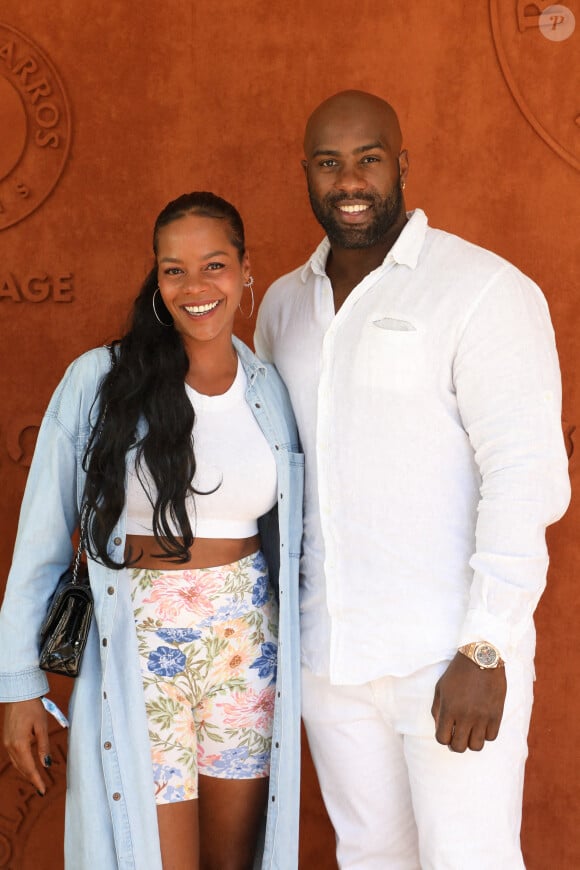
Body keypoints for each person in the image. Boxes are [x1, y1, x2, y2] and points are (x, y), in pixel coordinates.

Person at [254, 90, 570, 869]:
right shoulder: (283, 307)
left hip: (448, 655)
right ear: (307, 174)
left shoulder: (482, 289)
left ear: (402, 162)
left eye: (368, 158)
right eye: (329, 163)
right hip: (330, 658)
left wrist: (487, 646)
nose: (349, 180)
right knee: (367, 858)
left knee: (471, 859)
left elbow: (525, 476)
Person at [0, 192, 303, 870]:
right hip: (140, 643)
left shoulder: (270, 390)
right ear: (157, 279)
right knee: (151, 858)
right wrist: (17, 680)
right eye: (175, 270)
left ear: (246, 270)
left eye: (215, 265)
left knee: (235, 861)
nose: (196, 288)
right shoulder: (100, 381)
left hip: (246, 648)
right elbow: (42, 540)